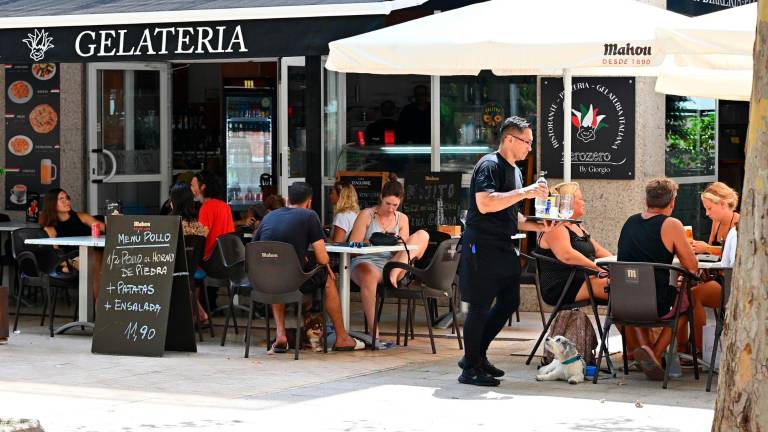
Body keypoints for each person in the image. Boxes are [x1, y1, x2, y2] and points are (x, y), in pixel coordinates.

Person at [456, 116, 552, 387]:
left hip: (504, 245)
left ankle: (474, 356)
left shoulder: (516, 171)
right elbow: (485, 203)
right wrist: (526, 192)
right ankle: (471, 368)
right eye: (527, 142)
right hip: (482, 245)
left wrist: (540, 225)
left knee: (509, 302)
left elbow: (514, 216)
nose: (529, 148)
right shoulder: (489, 165)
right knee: (479, 306)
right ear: (510, 139)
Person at [253, 182, 365, 352]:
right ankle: (342, 337)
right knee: (327, 279)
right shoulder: (309, 216)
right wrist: (324, 264)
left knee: (275, 273)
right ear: (309, 202)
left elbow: (256, 247)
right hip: (293, 280)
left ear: (288, 199)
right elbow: (321, 257)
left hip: (264, 280)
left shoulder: (270, 216)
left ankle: (281, 334)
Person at [616, 178, 698, 380]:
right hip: (656, 303)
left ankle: (645, 347)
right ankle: (656, 352)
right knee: (687, 305)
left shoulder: (630, 221)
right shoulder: (671, 224)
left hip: (622, 302)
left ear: (645, 200)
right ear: (672, 203)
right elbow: (692, 267)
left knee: (636, 292)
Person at [348, 174, 430, 342]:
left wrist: (395, 243)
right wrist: (375, 241)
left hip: (393, 264)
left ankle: (393, 273)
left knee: (423, 234)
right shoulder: (367, 215)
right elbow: (353, 247)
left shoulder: (402, 218)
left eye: (395, 205)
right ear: (381, 198)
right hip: (367, 261)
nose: (391, 208)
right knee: (368, 276)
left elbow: (406, 251)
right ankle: (374, 331)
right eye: (388, 204)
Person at [535, 182, 612, 305]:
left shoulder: (576, 225)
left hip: (584, 278)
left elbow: (597, 250)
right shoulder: (556, 226)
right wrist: (598, 268)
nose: (584, 203)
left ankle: (632, 324)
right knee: (620, 288)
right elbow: (567, 255)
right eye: (580, 199)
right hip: (563, 285)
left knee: (625, 285)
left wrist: (618, 264)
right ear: (568, 202)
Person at [39, 188, 106, 300]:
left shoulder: (81, 216)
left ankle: (107, 307)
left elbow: (106, 228)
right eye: (61, 199)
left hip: (93, 253)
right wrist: (65, 265)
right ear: (52, 204)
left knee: (107, 263)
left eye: (67, 198)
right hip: (71, 259)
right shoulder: (50, 227)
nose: (67, 201)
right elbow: (56, 252)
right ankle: (100, 308)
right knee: (97, 266)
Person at [191, 171, 235, 260]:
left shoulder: (206, 208)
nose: (190, 188)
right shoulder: (225, 206)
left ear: (202, 187)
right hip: (228, 259)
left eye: (193, 185)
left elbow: (200, 238)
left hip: (210, 261)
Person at [691, 182, 740, 253]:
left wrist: (707, 248)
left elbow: (737, 254)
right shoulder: (716, 221)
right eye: (706, 209)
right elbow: (711, 252)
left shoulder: (739, 222)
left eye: (709, 208)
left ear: (722, 204)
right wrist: (697, 246)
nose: (707, 213)